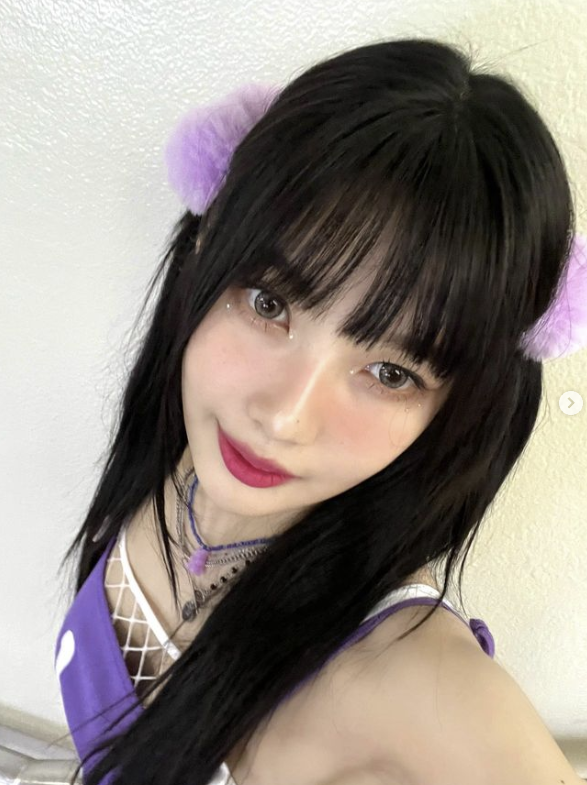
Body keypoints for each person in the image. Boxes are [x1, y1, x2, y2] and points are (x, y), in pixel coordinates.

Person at [53, 38, 587, 785]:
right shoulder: (175, 461)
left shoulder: (423, 692)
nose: (285, 418)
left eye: (390, 373)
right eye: (268, 303)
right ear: (204, 249)